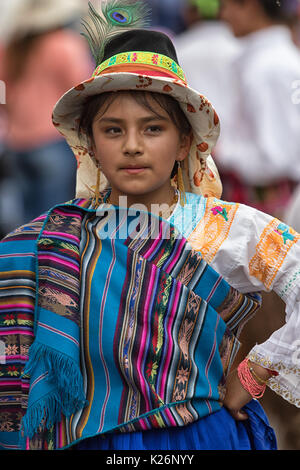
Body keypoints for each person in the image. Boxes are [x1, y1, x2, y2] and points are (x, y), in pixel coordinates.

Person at [0, 1, 299, 451]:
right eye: (113, 130)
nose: (133, 146)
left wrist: (255, 372)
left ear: (183, 143)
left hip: (199, 438)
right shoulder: (53, 239)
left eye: (153, 128)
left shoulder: (225, 229)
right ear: (91, 143)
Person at [0, 0, 93, 229]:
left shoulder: (11, 49)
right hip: (54, 140)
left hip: (16, 142)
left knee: (26, 222)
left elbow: (3, 93)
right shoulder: (65, 44)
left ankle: (24, 263)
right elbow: (84, 92)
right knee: (55, 222)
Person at [215, 0, 300, 218]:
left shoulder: (269, 67)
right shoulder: (271, 61)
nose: (223, 15)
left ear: (250, 5)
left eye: (226, 6)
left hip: (271, 204)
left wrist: (222, 152)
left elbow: (276, 157)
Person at [175, 0, 241, 141]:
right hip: (237, 144)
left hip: (194, 140)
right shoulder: (241, 48)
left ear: (192, 12)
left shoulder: (177, 50)